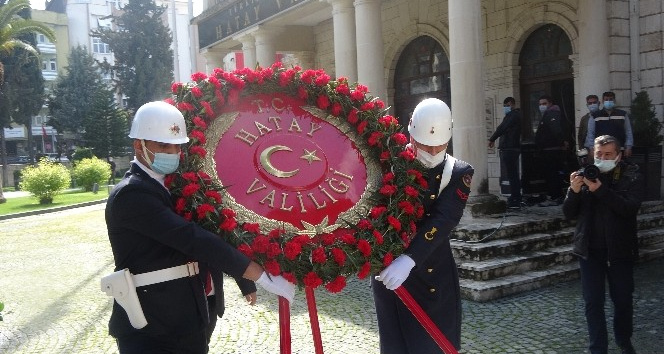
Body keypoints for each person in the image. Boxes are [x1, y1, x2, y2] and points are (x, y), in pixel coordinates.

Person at [103, 101, 295, 353]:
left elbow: (215, 231)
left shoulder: (172, 186)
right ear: (139, 146)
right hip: (151, 329)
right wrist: (258, 275)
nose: (172, 153)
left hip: (186, 319)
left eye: (176, 146)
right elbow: (192, 238)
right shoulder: (132, 194)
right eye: (163, 145)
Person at [372, 98, 474, 353]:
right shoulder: (389, 162)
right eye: (425, 147)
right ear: (410, 132)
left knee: (430, 345)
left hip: (431, 270)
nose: (432, 153)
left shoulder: (458, 172)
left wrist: (409, 259)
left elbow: (444, 219)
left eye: (439, 147)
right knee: (394, 345)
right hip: (389, 272)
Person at [562, 135, 643, 354]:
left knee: (623, 300)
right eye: (598, 155)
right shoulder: (586, 174)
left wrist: (600, 190)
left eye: (608, 155)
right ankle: (597, 348)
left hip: (620, 250)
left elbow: (629, 208)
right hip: (589, 250)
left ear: (618, 155)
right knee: (592, 303)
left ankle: (624, 341)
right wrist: (574, 191)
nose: (602, 158)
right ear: (592, 154)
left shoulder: (631, 173)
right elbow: (568, 213)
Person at [535, 95, 569, 206]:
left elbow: (556, 130)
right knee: (550, 174)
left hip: (552, 150)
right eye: (540, 104)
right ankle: (554, 195)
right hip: (547, 149)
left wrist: (562, 141)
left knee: (552, 174)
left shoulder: (552, 114)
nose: (541, 106)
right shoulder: (547, 114)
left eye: (544, 103)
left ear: (550, 103)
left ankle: (555, 196)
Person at [488, 97, 522, 209]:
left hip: (510, 148)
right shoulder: (512, 116)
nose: (505, 108)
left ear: (512, 104)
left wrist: (492, 138)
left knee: (512, 175)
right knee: (512, 174)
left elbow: (502, 127)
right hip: (510, 147)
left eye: (506, 105)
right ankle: (515, 196)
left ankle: (515, 198)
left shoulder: (513, 115)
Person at [584, 91, 634, 158]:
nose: (608, 101)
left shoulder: (623, 114)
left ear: (614, 101)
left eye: (611, 99)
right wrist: (591, 148)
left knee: (620, 168)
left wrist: (628, 147)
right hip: (601, 151)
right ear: (602, 101)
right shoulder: (595, 116)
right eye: (606, 99)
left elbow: (628, 131)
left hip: (619, 150)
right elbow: (590, 133)